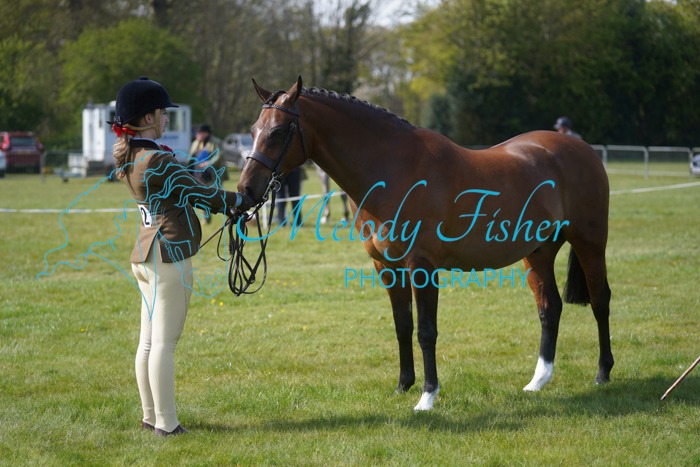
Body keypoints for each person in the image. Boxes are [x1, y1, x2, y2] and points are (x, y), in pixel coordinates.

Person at [110, 77, 252, 436]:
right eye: (162, 112)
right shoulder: (156, 159)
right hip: (168, 257)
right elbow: (199, 192)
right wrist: (240, 201)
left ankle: (150, 416)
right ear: (147, 118)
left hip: (144, 255)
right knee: (164, 344)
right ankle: (167, 424)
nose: (166, 118)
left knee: (147, 343)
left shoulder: (132, 156)